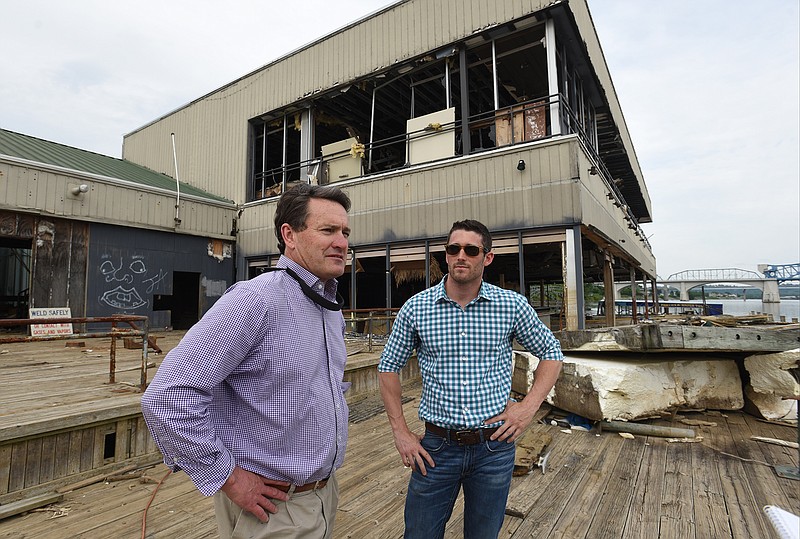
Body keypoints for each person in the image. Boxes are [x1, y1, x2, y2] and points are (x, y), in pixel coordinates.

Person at [141, 184, 352, 539]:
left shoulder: (329, 309)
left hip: (322, 495)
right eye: (328, 230)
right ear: (290, 235)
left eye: (345, 232)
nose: (342, 242)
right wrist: (227, 477)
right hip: (272, 508)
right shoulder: (256, 300)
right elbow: (168, 396)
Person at [378, 219, 564, 539]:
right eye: (454, 248)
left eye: (471, 249)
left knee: (483, 534)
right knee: (420, 533)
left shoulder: (511, 305)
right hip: (436, 448)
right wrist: (400, 432)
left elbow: (552, 352)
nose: (461, 255)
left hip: (494, 447)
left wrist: (527, 407)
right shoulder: (417, 309)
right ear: (446, 255)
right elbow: (387, 367)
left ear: (487, 257)